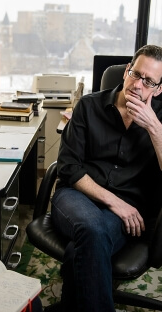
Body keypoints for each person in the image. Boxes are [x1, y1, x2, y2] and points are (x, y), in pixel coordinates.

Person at [50, 45, 162, 311]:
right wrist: (114, 202)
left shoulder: (160, 119)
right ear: (126, 72)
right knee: (92, 228)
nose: (138, 85)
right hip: (77, 196)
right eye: (136, 74)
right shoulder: (89, 106)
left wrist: (154, 128)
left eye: (148, 81)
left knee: (83, 245)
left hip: (128, 210)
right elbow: (67, 167)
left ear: (158, 89)